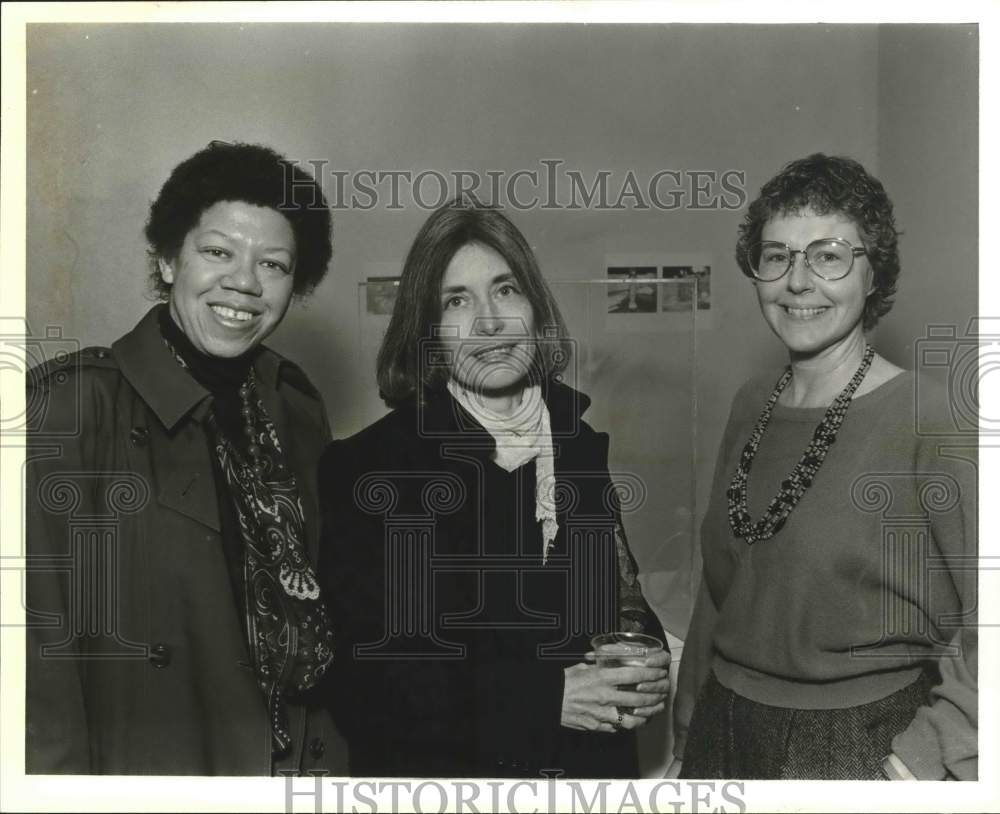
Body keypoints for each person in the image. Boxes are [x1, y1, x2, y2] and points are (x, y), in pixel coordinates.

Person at [318, 198, 669, 777]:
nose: (489, 321)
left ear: (534, 307)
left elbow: (615, 596)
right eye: (457, 300)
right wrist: (542, 700)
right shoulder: (371, 467)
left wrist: (643, 654)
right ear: (427, 329)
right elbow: (366, 677)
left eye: (506, 290)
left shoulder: (575, 446)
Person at [26, 141, 340, 775]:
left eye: (273, 264)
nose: (244, 283)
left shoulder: (298, 411)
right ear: (169, 259)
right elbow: (34, 673)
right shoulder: (70, 408)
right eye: (218, 252)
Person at [670, 154, 977, 780]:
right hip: (722, 728)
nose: (797, 281)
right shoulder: (751, 402)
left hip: (857, 741)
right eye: (777, 255)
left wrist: (936, 752)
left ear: (874, 274)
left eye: (829, 255)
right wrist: (686, 732)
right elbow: (720, 588)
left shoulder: (929, 416)